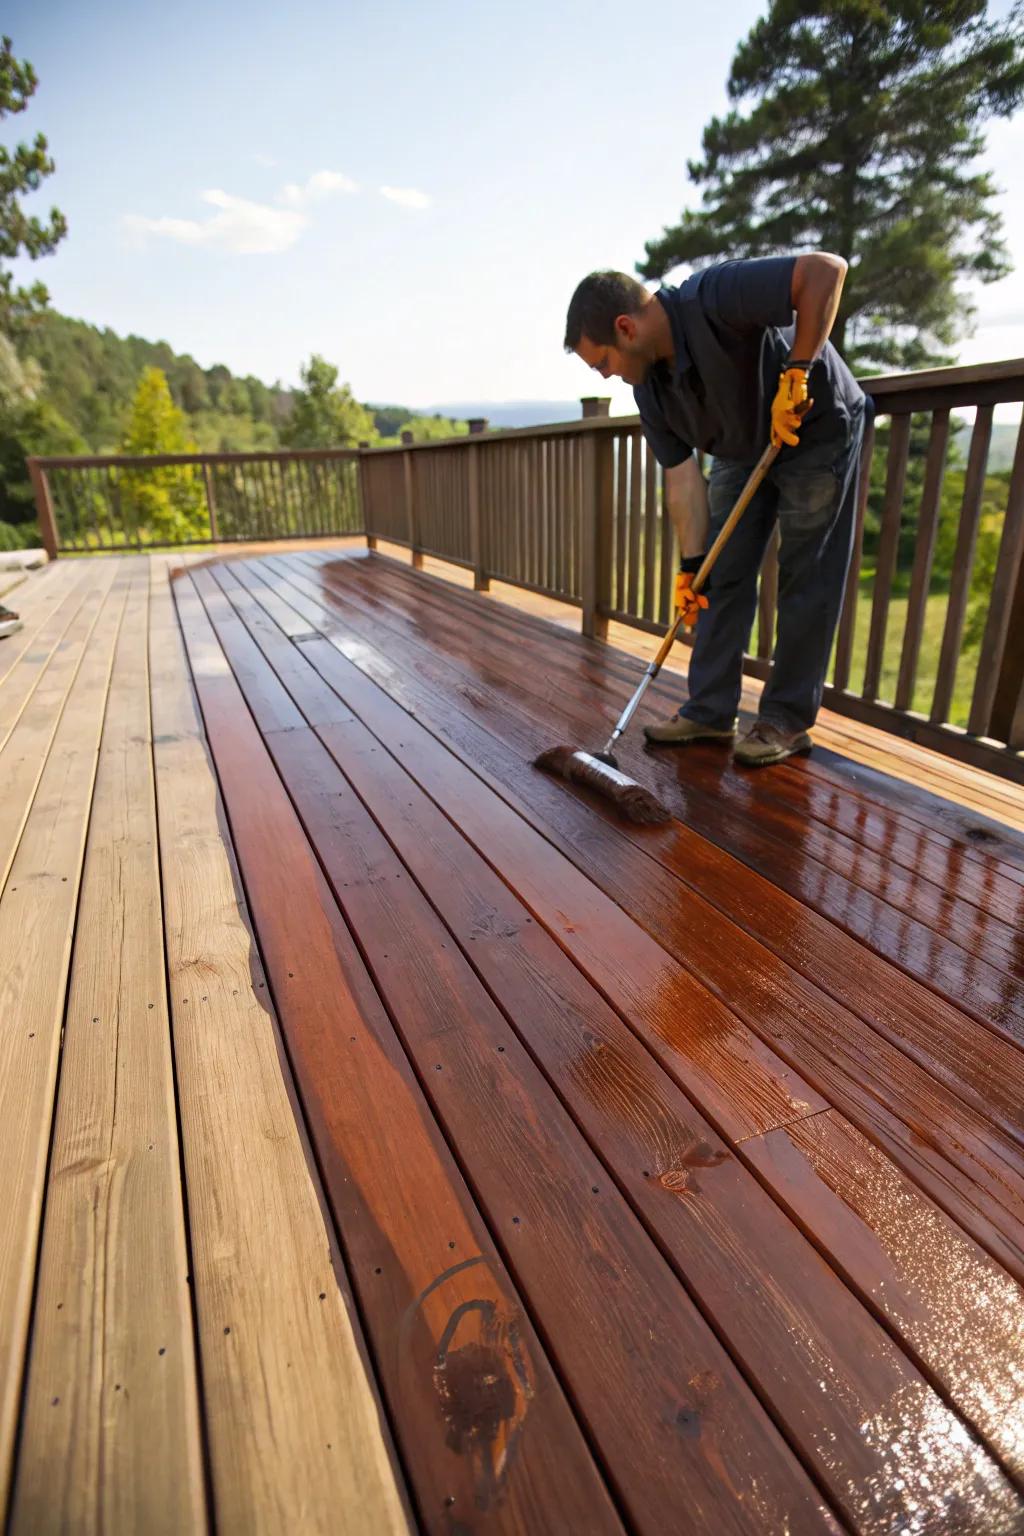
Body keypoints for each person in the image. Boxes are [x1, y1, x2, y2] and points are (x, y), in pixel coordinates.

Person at [564, 256, 868, 765]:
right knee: (718, 571)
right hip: (741, 447)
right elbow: (682, 482)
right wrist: (689, 568)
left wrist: (797, 373)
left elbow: (824, 272)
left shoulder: (713, 297)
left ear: (625, 328)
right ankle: (709, 711)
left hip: (815, 428)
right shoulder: (650, 391)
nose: (608, 376)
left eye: (603, 363)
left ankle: (785, 721)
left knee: (806, 575)